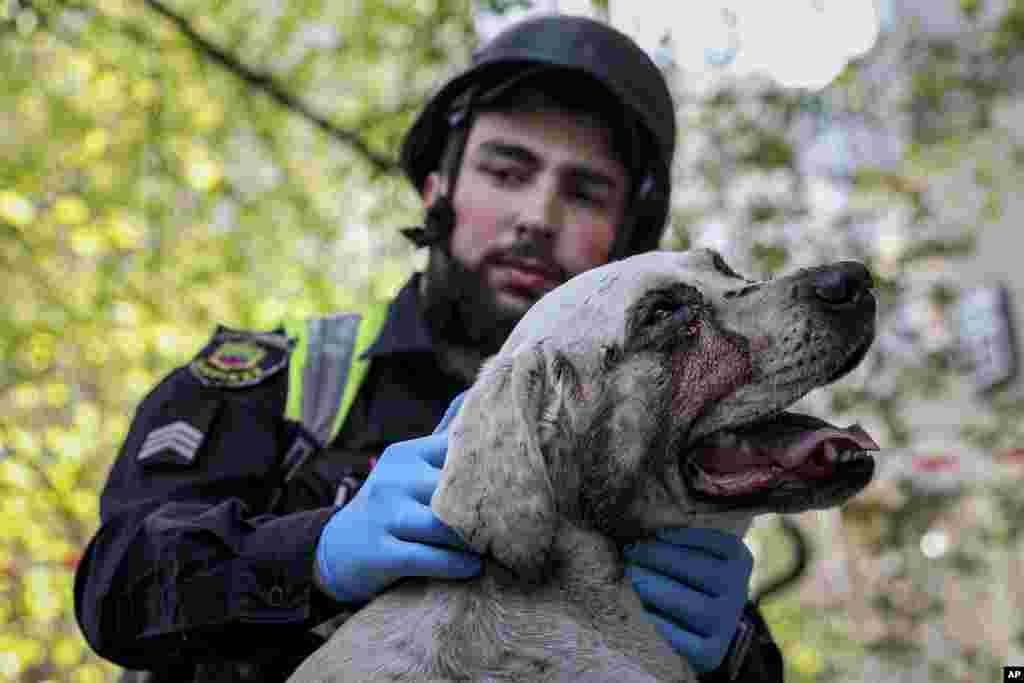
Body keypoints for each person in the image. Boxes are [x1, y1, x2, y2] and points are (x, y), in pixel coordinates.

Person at [74, 14, 785, 683]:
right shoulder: (283, 380)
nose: (538, 217)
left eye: (586, 193)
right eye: (507, 172)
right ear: (439, 187)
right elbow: (114, 586)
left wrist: (735, 653)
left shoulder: (661, 453)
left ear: (625, 242)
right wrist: (313, 551)